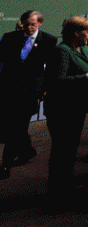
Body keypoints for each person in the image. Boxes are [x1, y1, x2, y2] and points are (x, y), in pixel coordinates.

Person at [44, 16, 88, 199]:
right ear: (76, 33)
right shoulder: (62, 51)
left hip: (76, 108)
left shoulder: (82, 49)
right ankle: (56, 192)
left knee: (70, 149)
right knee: (61, 150)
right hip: (62, 109)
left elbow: (84, 71)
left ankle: (65, 186)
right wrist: (86, 78)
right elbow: (58, 82)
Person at [1, 10, 58, 179]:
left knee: (15, 127)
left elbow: (51, 68)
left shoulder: (48, 40)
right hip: (9, 89)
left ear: (40, 23)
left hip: (31, 91)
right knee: (15, 126)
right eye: (26, 24)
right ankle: (27, 150)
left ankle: (5, 164)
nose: (29, 27)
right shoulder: (10, 37)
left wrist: (45, 89)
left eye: (32, 24)